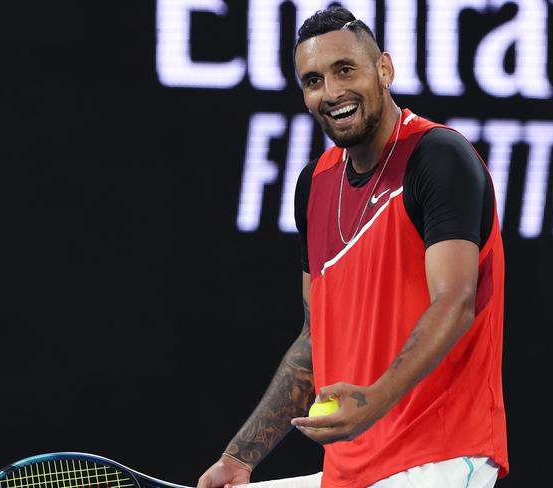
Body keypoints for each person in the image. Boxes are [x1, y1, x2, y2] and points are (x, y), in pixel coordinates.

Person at [197, 6, 508, 488]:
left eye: (346, 70)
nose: (332, 92)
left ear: (384, 69)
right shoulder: (314, 184)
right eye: (313, 80)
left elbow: (456, 301)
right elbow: (313, 339)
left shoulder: (439, 157)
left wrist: (375, 402)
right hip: (350, 470)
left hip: (439, 459)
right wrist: (240, 457)